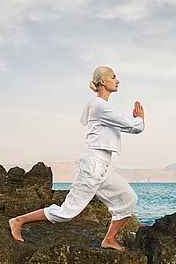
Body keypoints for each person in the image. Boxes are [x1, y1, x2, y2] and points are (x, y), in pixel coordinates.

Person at [9, 66, 145, 251]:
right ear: (103, 81)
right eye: (113, 77)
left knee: (128, 199)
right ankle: (18, 221)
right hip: (92, 165)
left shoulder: (103, 109)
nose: (117, 80)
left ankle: (109, 240)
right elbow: (132, 125)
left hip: (104, 167)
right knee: (67, 213)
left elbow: (131, 128)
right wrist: (140, 119)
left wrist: (137, 123)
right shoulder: (99, 106)